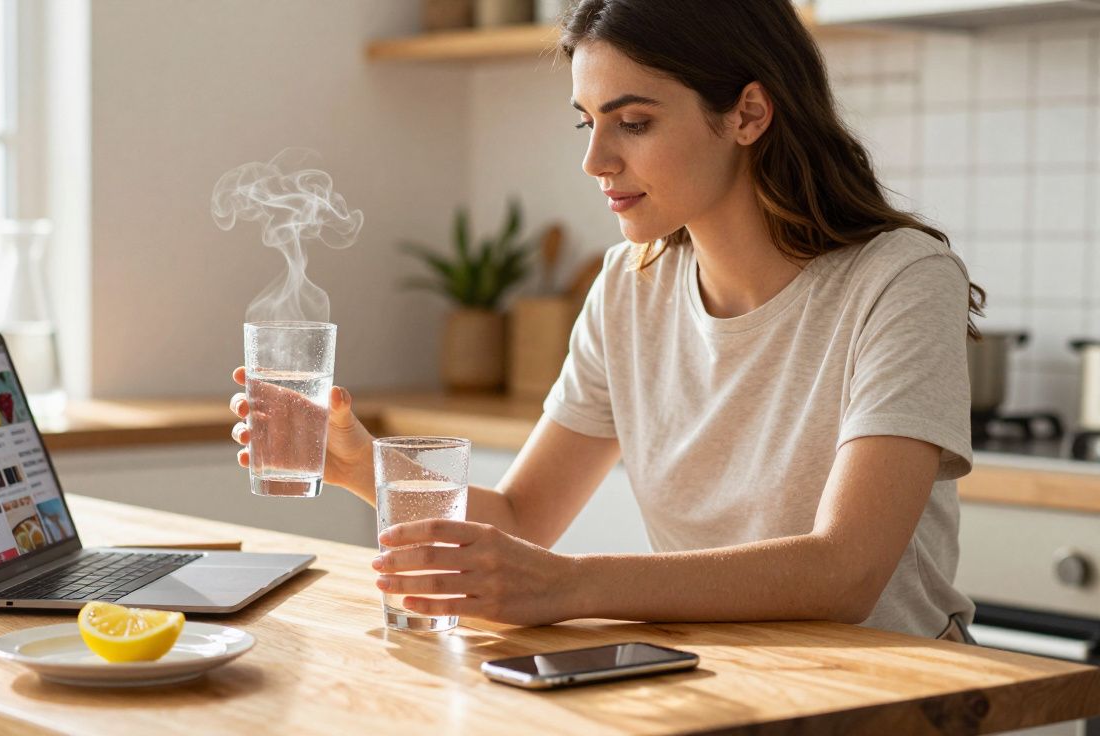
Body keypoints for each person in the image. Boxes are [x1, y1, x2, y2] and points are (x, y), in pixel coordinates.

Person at [231, 0, 981, 642]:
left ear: (748, 113)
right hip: (723, 678)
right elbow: (524, 515)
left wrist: (572, 587)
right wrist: (362, 465)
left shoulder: (900, 281)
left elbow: (843, 572)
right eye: (587, 122)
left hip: (898, 694)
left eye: (634, 122)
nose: (595, 159)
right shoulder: (631, 285)